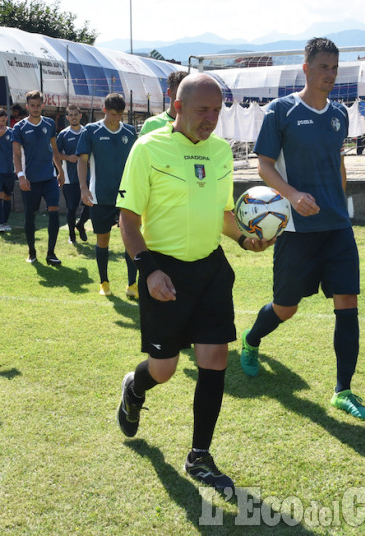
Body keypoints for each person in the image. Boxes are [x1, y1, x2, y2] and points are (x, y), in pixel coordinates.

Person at [116, 74, 272, 493]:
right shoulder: (148, 149)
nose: (211, 119)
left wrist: (244, 237)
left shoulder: (221, 153)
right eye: (203, 110)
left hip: (211, 269)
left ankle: (199, 456)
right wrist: (148, 271)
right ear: (178, 105)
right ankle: (135, 387)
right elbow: (127, 220)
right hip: (163, 270)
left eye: (217, 110)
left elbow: (223, 213)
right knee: (164, 370)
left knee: (215, 359)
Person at [239, 37, 365, 421]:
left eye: (335, 68)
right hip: (296, 230)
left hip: (337, 228)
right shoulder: (279, 112)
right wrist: (294, 195)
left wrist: (340, 204)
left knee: (347, 304)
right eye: (323, 67)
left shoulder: (340, 115)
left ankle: (342, 390)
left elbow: (338, 163)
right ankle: (251, 340)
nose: (330, 75)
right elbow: (263, 166)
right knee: (286, 307)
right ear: (306, 69)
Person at [76, 93, 137, 297]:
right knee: (103, 240)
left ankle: (132, 285)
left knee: (131, 240)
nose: (117, 118)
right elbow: (82, 161)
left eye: (120, 114)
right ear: (104, 111)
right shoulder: (91, 131)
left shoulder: (130, 132)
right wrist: (84, 189)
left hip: (126, 196)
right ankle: (104, 282)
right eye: (113, 114)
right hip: (100, 196)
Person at [11, 91, 64, 265]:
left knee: (54, 212)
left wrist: (60, 171)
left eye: (38, 105)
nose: (35, 108)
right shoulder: (19, 127)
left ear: (42, 105)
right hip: (30, 181)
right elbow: (16, 155)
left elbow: (54, 150)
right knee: (30, 217)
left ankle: (51, 253)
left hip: (49, 178)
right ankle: (32, 251)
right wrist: (21, 176)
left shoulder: (49, 124)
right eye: (32, 105)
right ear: (27, 107)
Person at [56, 104, 90, 243]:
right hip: (70, 178)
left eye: (76, 114)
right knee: (71, 208)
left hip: (88, 177)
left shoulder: (87, 132)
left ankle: (81, 224)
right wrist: (68, 157)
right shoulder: (63, 134)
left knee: (90, 205)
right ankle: (71, 235)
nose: (74, 117)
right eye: (71, 115)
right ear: (68, 117)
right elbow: (55, 154)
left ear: (80, 116)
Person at [138, 70, 188, 137]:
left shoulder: (196, 125)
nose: (184, 97)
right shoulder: (152, 124)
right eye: (179, 93)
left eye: (188, 93)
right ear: (169, 92)